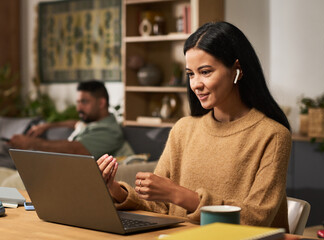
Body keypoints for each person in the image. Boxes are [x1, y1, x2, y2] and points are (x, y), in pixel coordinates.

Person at [96, 22, 292, 231]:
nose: (196, 84)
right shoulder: (183, 129)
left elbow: (256, 219)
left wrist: (180, 195)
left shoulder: (273, 135)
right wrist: (115, 190)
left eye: (205, 72)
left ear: (237, 70)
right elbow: (158, 206)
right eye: (190, 74)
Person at [9, 80, 132, 158]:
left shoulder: (110, 131)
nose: (79, 108)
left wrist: (31, 143)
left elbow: (74, 150)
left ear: (101, 103)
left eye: (84, 102)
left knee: (0, 179)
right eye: (78, 102)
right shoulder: (92, 124)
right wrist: (47, 126)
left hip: (78, 181)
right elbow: (76, 124)